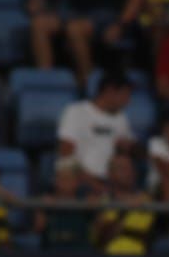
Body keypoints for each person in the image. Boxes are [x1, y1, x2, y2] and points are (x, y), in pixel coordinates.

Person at [55, 69, 136, 197]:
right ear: (110, 91)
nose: (128, 101)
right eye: (125, 95)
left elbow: (125, 156)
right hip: (80, 182)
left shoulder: (122, 119)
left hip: (111, 185)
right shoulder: (76, 112)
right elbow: (66, 153)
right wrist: (92, 183)